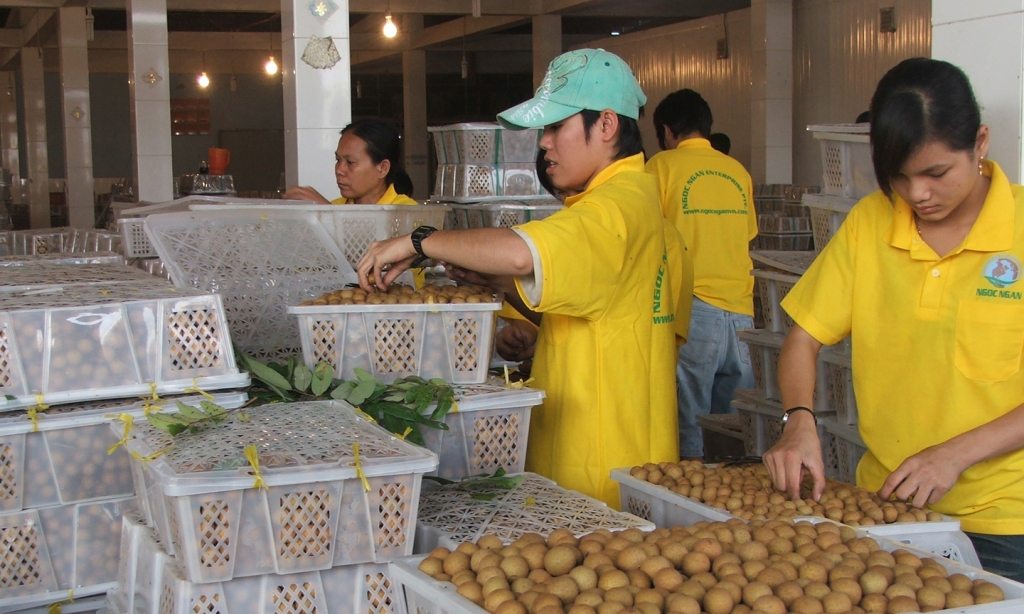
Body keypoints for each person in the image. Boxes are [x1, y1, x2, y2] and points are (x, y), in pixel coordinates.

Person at [357, 48, 687, 507]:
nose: (544, 143)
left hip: (593, 469)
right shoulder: (656, 220)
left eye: (556, 127)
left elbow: (517, 251)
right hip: (644, 458)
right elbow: (620, 318)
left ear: (607, 125)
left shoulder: (611, 210)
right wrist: (510, 296)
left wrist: (420, 241)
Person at [764, 57, 1024, 582]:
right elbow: (804, 338)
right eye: (899, 177)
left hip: (1005, 522)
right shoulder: (870, 224)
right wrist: (798, 420)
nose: (917, 195)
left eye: (935, 173)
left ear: (980, 143)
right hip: (888, 506)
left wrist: (954, 455)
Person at [646, 88, 758, 460]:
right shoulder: (737, 172)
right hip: (743, 314)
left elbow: (643, 237)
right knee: (732, 434)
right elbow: (748, 236)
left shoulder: (661, 167)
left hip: (694, 313)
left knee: (690, 424)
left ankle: (691, 510)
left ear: (667, 130)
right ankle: (729, 512)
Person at [282, 118, 418, 205]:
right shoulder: (336, 206)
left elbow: (373, 247)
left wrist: (328, 214)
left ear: (382, 168)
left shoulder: (406, 212)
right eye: (338, 160)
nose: (339, 170)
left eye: (350, 162)